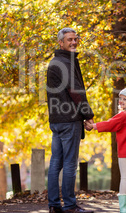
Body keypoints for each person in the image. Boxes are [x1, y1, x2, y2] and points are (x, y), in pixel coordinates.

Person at [46, 27, 95, 213]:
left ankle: (54, 205)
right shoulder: (63, 62)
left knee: (56, 162)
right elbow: (76, 92)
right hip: (68, 120)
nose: (74, 42)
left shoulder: (60, 61)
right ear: (61, 43)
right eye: (69, 40)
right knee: (69, 164)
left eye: (75, 39)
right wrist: (88, 115)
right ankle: (70, 206)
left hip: (58, 120)